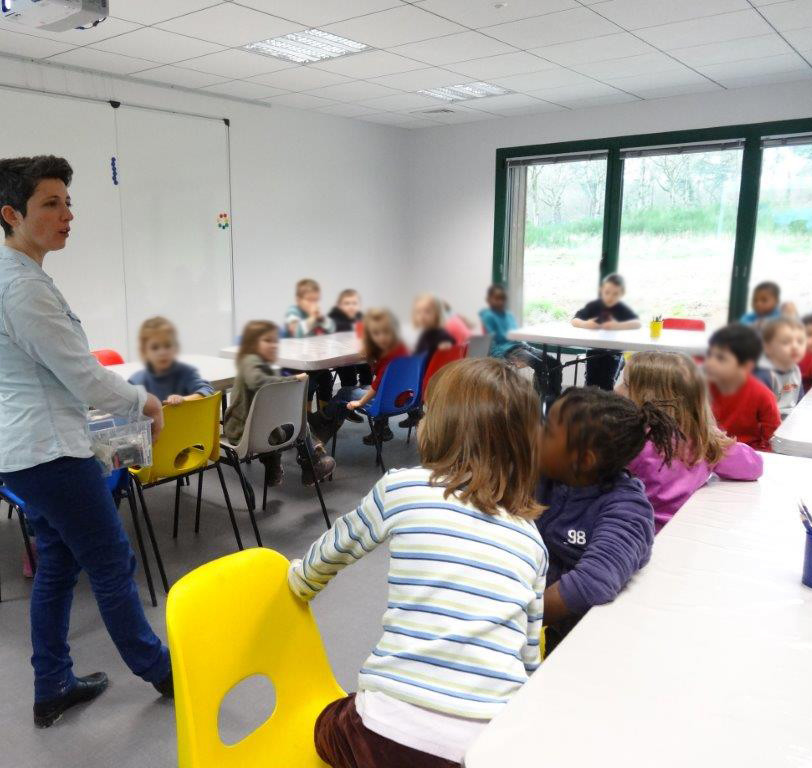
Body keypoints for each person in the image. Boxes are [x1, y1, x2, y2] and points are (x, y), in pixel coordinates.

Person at [0, 155, 171, 728]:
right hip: (50, 455)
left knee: (58, 564)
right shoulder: (21, 290)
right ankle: (163, 671)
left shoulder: (20, 277)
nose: (67, 215)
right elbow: (82, 375)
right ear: (12, 214)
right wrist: (145, 401)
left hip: (32, 453)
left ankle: (52, 683)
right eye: (51, 204)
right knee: (112, 562)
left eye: (67, 202)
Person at [289, 359, 547, 768]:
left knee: (329, 725)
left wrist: (300, 580)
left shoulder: (403, 488)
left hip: (384, 735)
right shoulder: (531, 538)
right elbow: (530, 650)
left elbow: (335, 548)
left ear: (437, 426)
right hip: (486, 745)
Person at [536, 387, 675, 648]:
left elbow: (592, 582)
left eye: (548, 432)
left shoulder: (627, 510)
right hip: (553, 626)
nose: (538, 436)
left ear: (584, 460)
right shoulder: (550, 477)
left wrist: (513, 618)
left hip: (599, 646)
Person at [618, 351, 762, 532]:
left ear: (652, 398)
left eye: (625, 384)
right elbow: (754, 466)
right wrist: (715, 436)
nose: (616, 390)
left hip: (633, 534)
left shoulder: (631, 441)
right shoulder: (703, 440)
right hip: (686, 533)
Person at [223, 320, 335, 488]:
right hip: (244, 433)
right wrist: (292, 380)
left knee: (289, 422)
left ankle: (274, 467)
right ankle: (311, 466)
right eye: (267, 341)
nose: (273, 345)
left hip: (259, 431)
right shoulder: (249, 362)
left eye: (275, 341)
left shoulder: (258, 364)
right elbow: (258, 381)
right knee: (300, 424)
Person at [315, 308, 408, 446]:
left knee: (345, 392)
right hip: (406, 399)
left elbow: (377, 386)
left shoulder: (389, 358)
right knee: (363, 387)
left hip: (386, 401)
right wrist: (372, 360)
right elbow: (380, 379)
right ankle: (382, 427)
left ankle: (322, 420)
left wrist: (360, 403)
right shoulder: (402, 349)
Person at [479, 284, 562, 402]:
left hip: (521, 346)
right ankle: (537, 399)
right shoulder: (487, 315)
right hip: (506, 350)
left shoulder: (508, 315)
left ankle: (555, 397)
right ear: (489, 300)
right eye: (496, 298)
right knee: (540, 366)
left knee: (554, 362)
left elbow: (516, 333)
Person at [704, 324, 781, 451]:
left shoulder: (762, 394)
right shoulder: (702, 387)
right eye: (710, 355)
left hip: (747, 453)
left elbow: (772, 439)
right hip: (710, 450)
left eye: (720, 358)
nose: (710, 363)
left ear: (746, 365)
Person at [571, 273, 640, 390]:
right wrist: (586, 324)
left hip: (614, 351)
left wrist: (616, 325)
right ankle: (589, 404)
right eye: (607, 292)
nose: (610, 297)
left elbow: (637, 324)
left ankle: (605, 405)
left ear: (621, 294)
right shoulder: (593, 306)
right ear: (601, 290)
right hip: (594, 349)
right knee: (590, 380)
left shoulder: (621, 308)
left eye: (615, 294)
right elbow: (574, 320)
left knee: (607, 381)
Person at [398, 294, 456, 430]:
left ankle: (382, 426)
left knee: (388, 378)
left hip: (425, 384)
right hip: (440, 381)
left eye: (427, 312)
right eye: (418, 312)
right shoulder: (442, 333)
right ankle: (415, 414)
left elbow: (413, 357)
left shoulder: (429, 335)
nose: (421, 316)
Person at [127, 316, 213, 404]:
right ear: (144, 351)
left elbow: (207, 390)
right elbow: (126, 409)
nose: (162, 352)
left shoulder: (186, 373)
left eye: (167, 345)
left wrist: (183, 399)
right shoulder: (137, 381)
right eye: (155, 348)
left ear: (175, 347)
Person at [285, 278, 335, 412]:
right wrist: (312, 318)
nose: (313, 303)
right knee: (309, 384)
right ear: (298, 299)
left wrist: (323, 320)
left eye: (316, 300)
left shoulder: (316, 315)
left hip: (314, 361)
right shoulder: (293, 312)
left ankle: (324, 414)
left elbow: (330, 329)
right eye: (309, 300)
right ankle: (307, 416)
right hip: (297, 363)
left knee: (327, 379)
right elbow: (297, 331)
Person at [328, 289, 371, 421]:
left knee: (367, 368)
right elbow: (334, 341)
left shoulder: (359, 318)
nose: (351, 306)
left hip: (357, 355)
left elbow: (362, 336)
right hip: (342, 357)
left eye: (354, 303)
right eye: (347, 303)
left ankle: (365, 393)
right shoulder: (335, 320)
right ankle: (348, 406)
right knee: (348, 372)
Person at [756, 316, 806, 417]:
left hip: (791, 420)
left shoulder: (795, 369)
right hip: (772, 424)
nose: (795, 346)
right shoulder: (764, 375)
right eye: (786, 342)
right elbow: (760, 413)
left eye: (800, 341)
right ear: (768, 347)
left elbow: (801, 402)